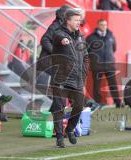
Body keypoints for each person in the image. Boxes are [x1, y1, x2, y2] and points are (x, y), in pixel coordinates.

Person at [49, 8, 88, 148]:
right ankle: (59, 137)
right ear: (68, 21)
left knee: (79, 106)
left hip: (77, 78)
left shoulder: (80, 37)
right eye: (76, 20)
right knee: (59, 107)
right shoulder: (59, 33)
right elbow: (59, 37)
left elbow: (86, 57)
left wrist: (83, 75)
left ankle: (69, 129)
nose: (79, 22)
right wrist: (64, 40)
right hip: (61, 78)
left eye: (79, 20)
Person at [86, 19, 122, 108]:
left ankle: (118, 102)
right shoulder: (90, 38)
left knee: (113, 84)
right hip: (97, 66)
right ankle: (98, 103)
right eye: (102, 24)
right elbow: (87, 51)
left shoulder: (111, 36)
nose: (104, 26)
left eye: (105, 25)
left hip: (109, 65)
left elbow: (114, 49)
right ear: (98, 25)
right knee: (97, 86)